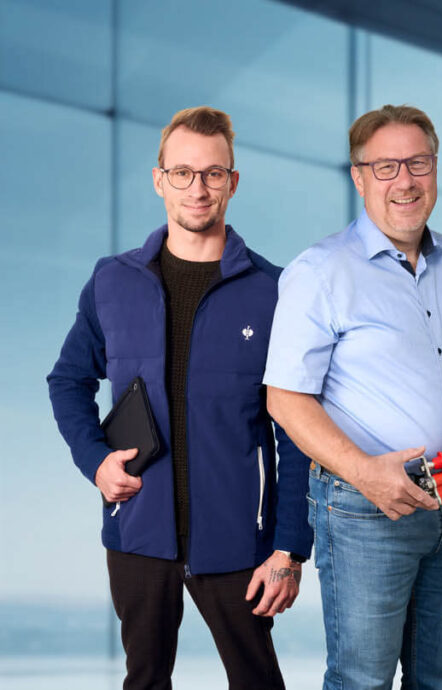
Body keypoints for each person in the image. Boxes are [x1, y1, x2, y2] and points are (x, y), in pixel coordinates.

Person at [46, 105, 307, 690]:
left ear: (232, 183)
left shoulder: (273, 292)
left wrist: (290, 547)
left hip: (240, 538)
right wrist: (95, 461)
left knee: (259, 683)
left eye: (213, 174)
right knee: (143, 682)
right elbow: (67, 381)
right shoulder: (112, 281)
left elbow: (297, 433)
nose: (198, 188)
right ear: (159, 178)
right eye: (183, 173)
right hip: (137, 528)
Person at [265, 104, 442, 690]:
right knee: (361, 679)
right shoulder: (319, 272)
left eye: (418, 163)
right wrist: (365, 474)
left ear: (435, 168)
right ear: (358, 176)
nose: (405, 181)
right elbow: (284, 399)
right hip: (363, 512)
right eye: (386, 166)